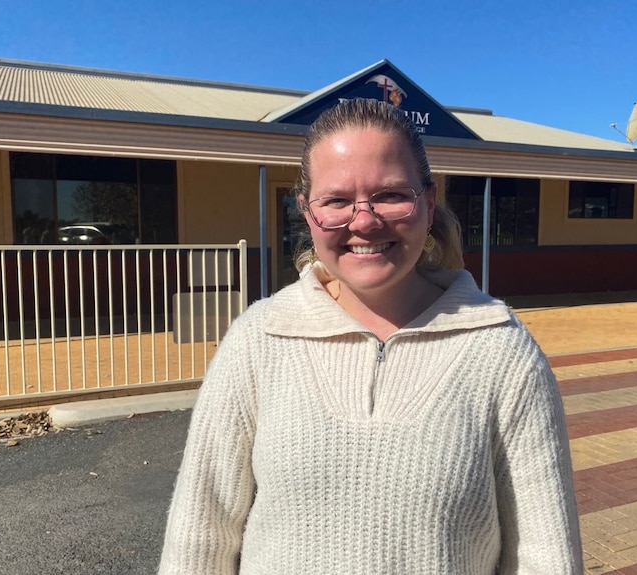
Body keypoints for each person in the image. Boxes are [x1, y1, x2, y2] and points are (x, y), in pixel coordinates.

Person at [158, 98, 583, 574]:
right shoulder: (258, 340)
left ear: (429, 202)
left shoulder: (501, 350)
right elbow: (199, 540)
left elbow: (546, 555)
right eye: (336, 200)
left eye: (390, 195)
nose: (363, 221)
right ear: (306, 211)